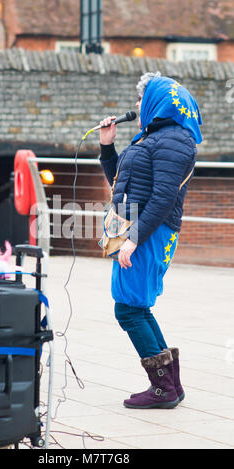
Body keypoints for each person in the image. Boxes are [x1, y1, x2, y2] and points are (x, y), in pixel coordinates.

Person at [99, 72, 202, 409]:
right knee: (135, 306)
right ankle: (171, 384)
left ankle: (163, 389)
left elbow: (162, 197)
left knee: (128, 308)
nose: (137, 105)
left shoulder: (174, 141)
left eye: (141, 99)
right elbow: (122, 182)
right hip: (131, 226)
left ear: (158, 101)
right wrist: (107, 146)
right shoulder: (150, 138)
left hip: (148, 231)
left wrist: (133, 240)